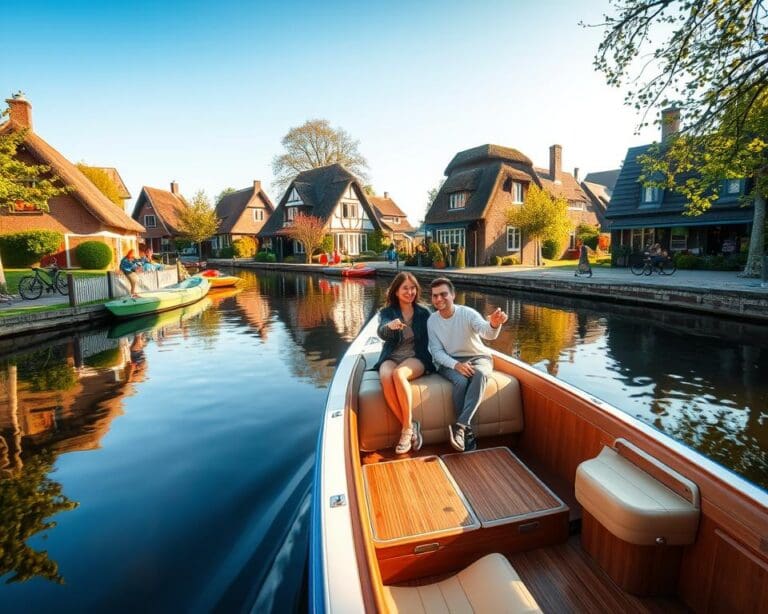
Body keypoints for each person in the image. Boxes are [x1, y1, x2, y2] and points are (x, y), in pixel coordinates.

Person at [428, 277, 508, 452]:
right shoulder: (432, 321)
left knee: (479, 374)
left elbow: (487, 333)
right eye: (435, 296)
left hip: (478, 357)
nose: (439, 299)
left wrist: (494, 323)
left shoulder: (468, 313)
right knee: (461, 381)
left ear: (453, 295)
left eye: (443, 294)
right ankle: (467, 430)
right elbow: (436, 351)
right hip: (450, 361)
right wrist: (456, 365)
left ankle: (461, 426)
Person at [374, 272, 434, 454]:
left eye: (413, 288)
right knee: (386, 375)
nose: (410, 292)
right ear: (397, 291)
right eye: (405, 288)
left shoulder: (424, 313)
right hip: (392, 356)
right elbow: (382, 331)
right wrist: (389, 327)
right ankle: (410, 424)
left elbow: (438, 331)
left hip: (416, 357)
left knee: (399, 374)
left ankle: (406, 431)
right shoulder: (387, 312)